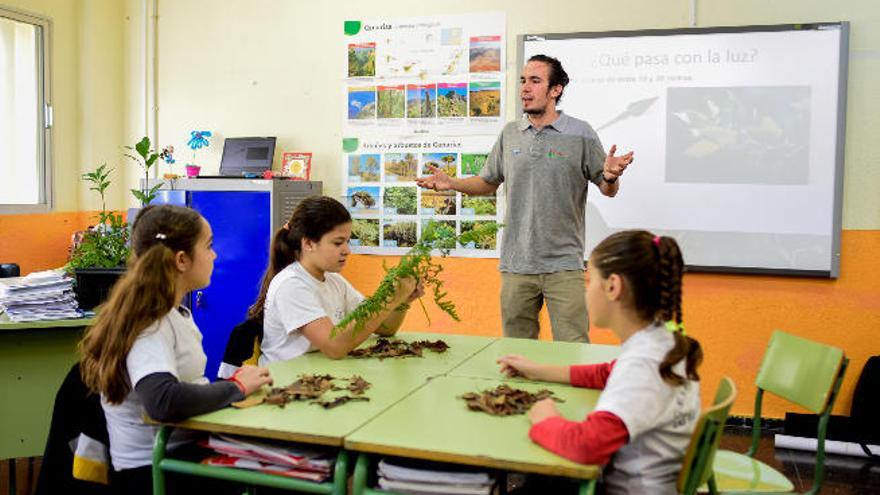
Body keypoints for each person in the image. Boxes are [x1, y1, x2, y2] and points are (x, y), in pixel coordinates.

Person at [417, 54, 634, 343]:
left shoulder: (580, 134)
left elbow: (608, 189)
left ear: (555, 90)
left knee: (573, 349)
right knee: (517, 352)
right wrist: (452, 183)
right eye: (522, 81)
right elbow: (487, 182)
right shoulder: (510, 134)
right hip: (516, 265)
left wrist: (609, 175)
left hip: (563, 265)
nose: (525, 89)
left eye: (535, 81)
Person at [79, 204, 273, 494]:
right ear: (182, 260)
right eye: (208, 246)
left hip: (180, 452)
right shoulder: (150, 321)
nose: (214, 255)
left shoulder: (172, 312)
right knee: (286, 477)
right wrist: (236, 387)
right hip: (155, 471)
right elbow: (163, 400)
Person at [497, 230, 702, 494]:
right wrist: (539, 371)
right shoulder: (661, 343)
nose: (586, 291)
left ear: (613, 287)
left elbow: (586, 446)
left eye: (588, 281)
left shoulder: (643, 365)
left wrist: (546, 419)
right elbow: (606, 374)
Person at [250, 195, 423, 363]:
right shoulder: (291, 285)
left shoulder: (335, 281)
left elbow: (384, 328)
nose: (347, 250)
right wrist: (389, 301)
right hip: (283, 383)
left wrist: (402, 301)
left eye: (347, 241)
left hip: (316, 374)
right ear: (309, 244)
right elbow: (335, 347)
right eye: (338, 243)